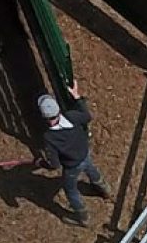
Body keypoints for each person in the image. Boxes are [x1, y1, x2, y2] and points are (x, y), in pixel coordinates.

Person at [38, 82, 108, 226]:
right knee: (91, 169)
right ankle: (104, 190)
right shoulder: (71, 117)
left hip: (72, 166)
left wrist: (40, 163)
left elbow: (55, 165)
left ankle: (83, 218)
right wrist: (77, 98)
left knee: (70, 190)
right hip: (84, 153)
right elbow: (87, 116)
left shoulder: (50, 138)